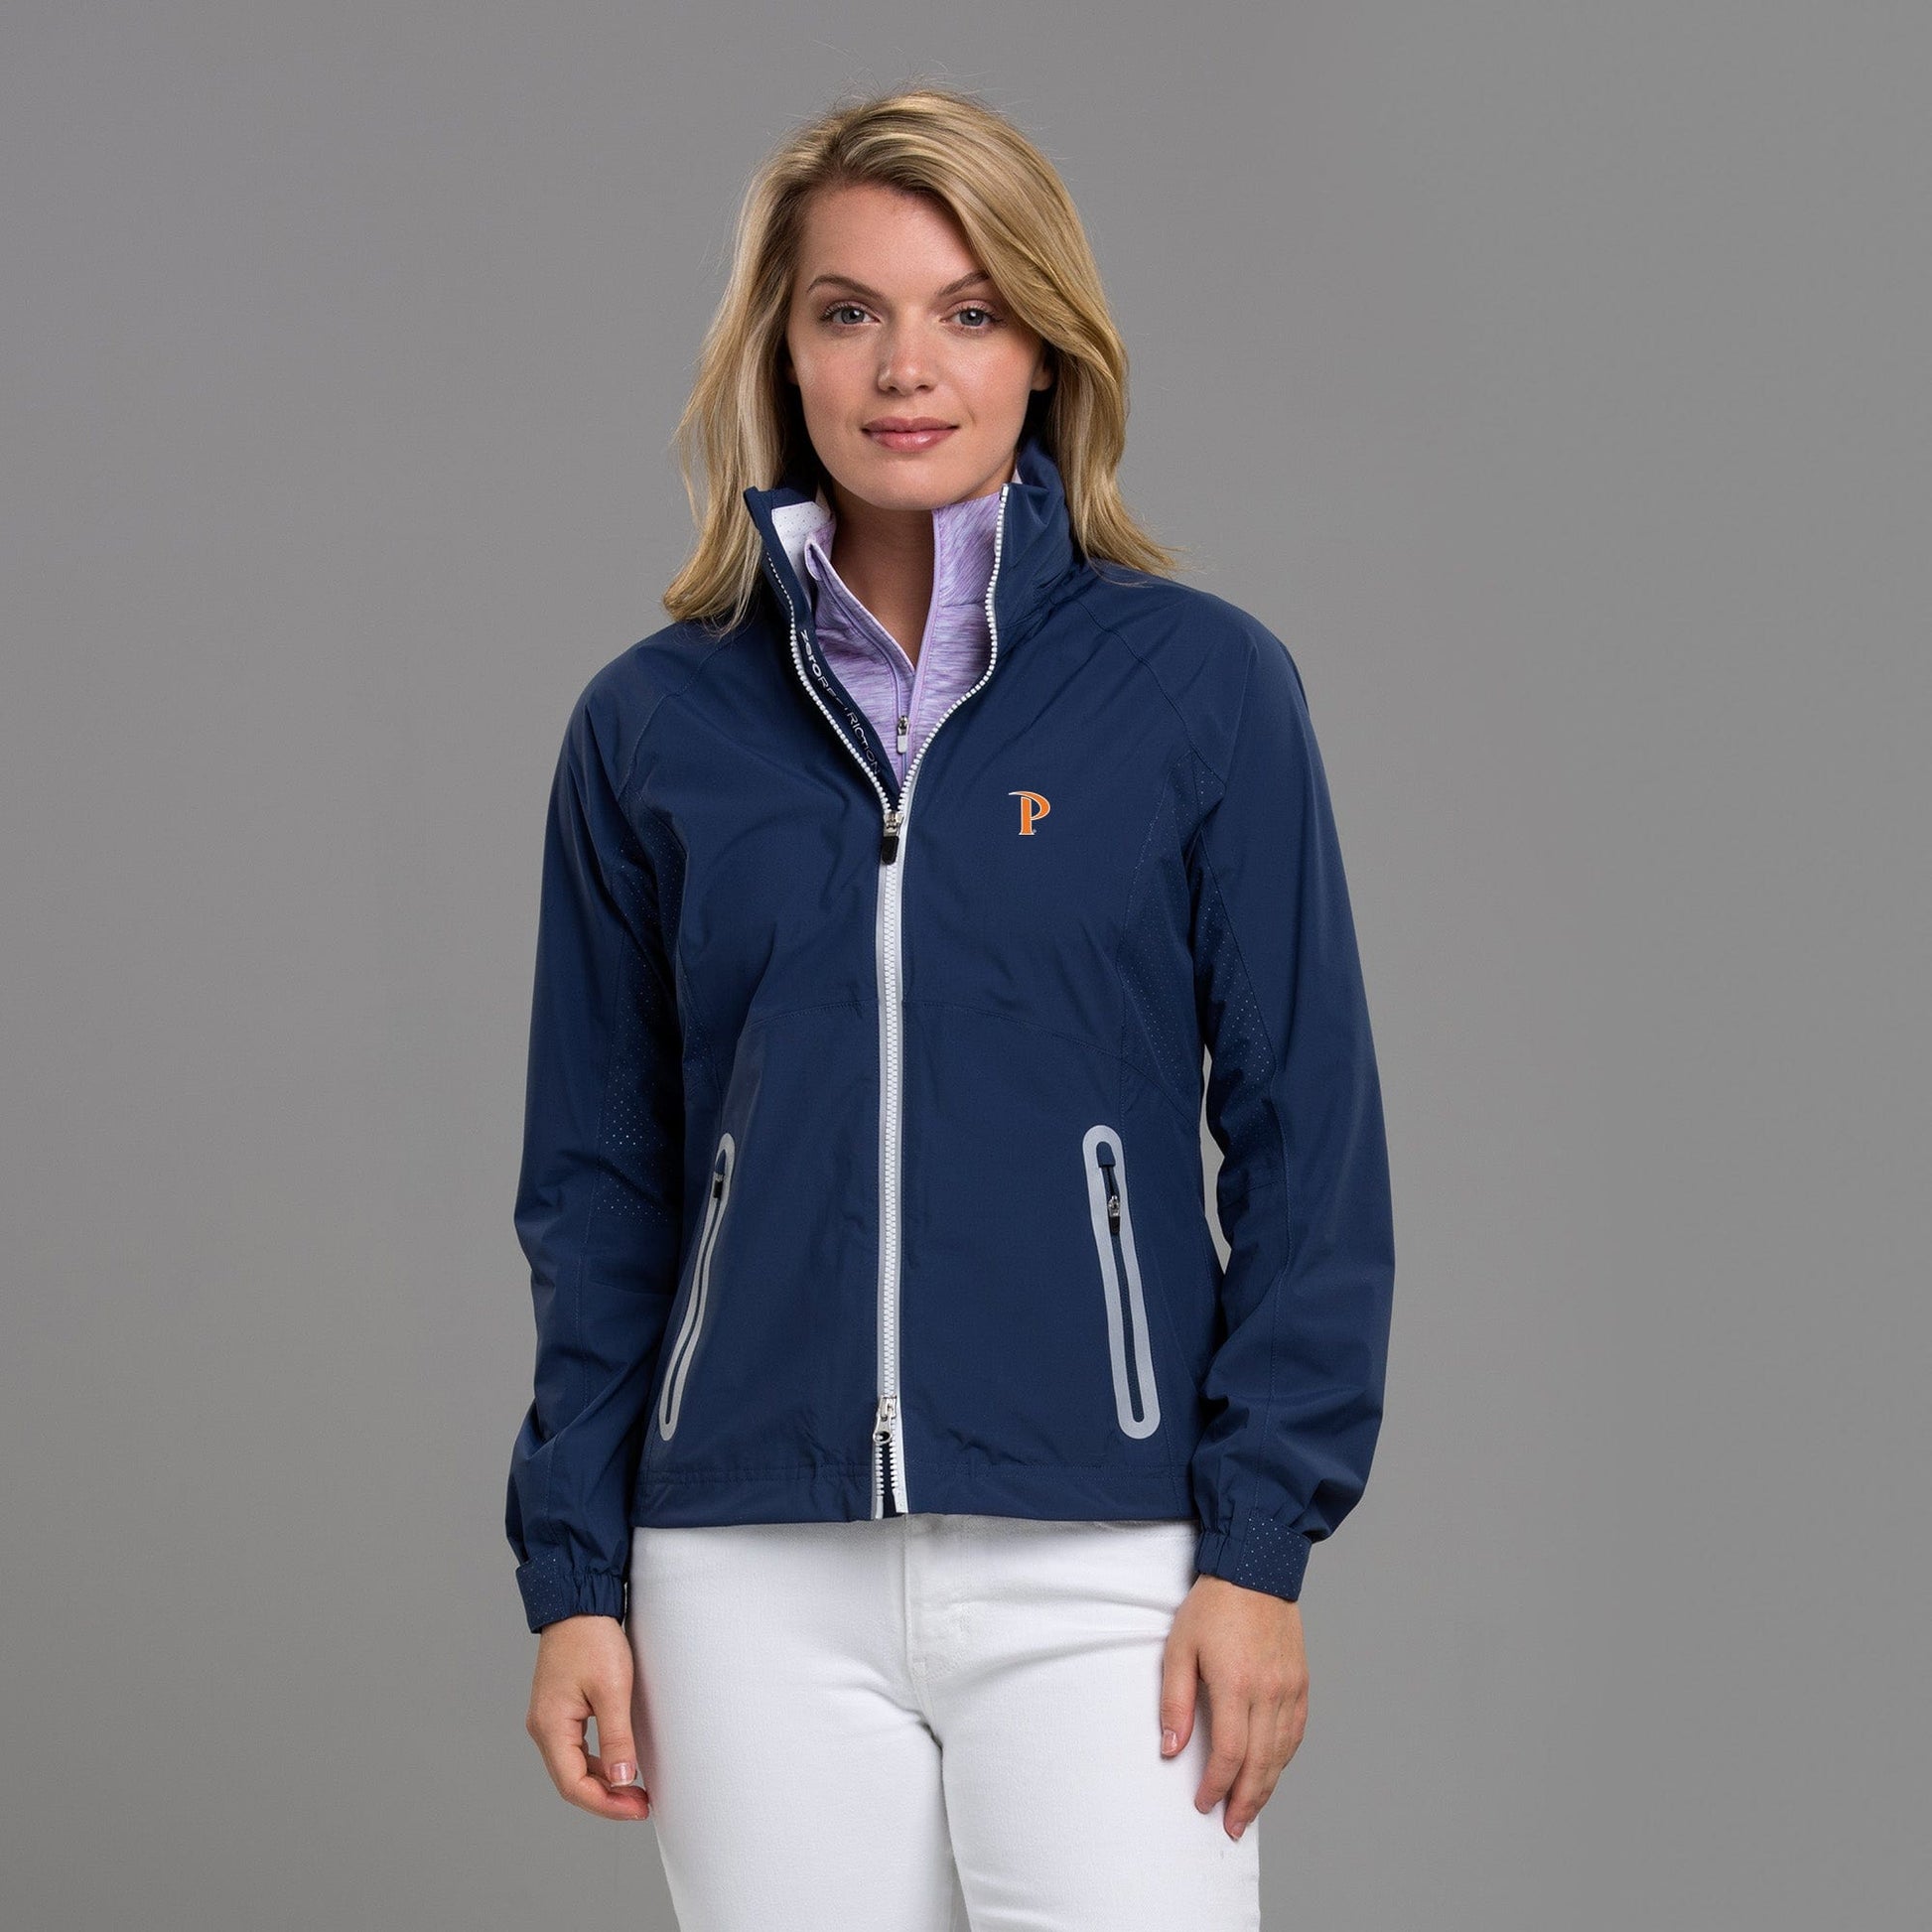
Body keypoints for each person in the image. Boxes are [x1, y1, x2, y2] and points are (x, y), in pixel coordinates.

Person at [505, 83, 1395, 1931]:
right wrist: (577, 1575)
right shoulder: (653, 724)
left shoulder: (1200, 688)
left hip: (1108, 1553)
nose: (906, 367)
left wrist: (1255, 1547)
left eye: (968, 311)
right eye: (849, 311)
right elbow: (597, 1187)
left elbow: (1309, 1141)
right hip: (744, 1566)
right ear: (782, 351)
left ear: (1045, 349)